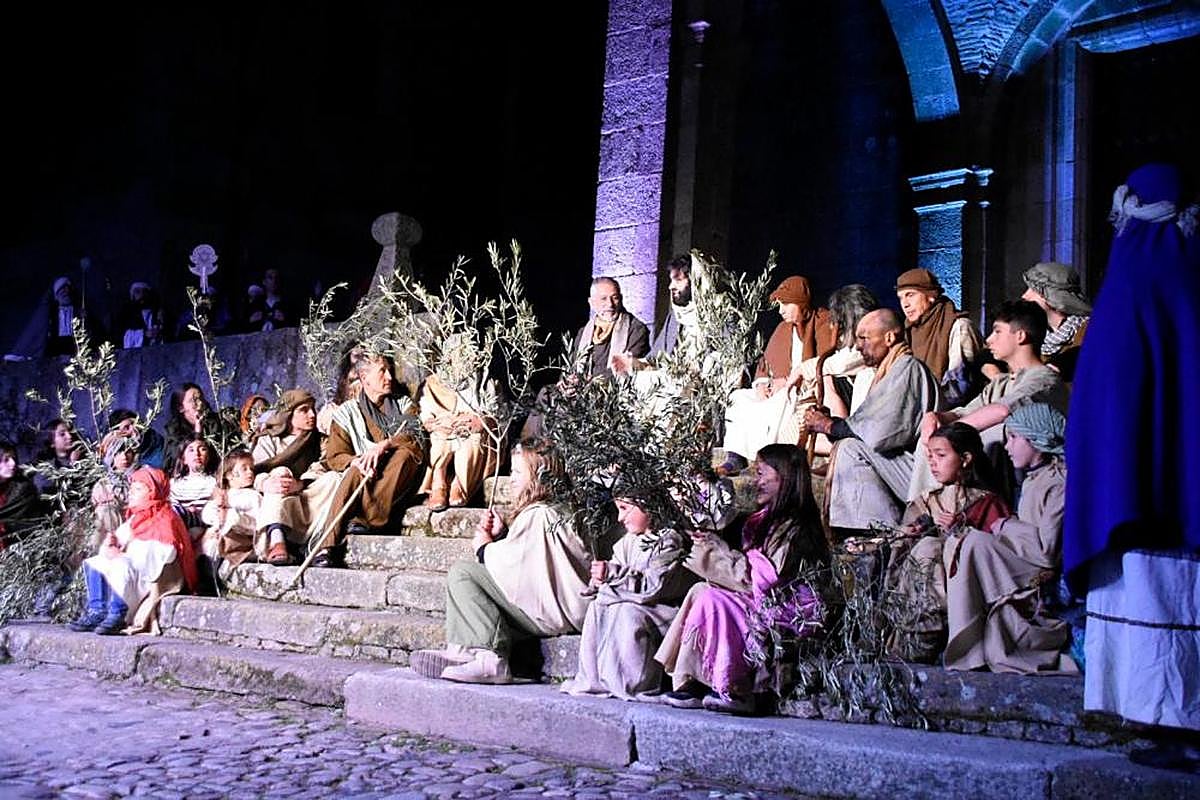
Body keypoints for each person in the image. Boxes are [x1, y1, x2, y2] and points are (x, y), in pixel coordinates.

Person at [1063, 163, 1200, 772]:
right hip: (1182, 487)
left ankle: (1173, 724)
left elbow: (1107, 392)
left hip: (1134, 491)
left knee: (1155, 598)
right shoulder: (1187, 272)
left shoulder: (1131, 277)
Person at [656, 443, 828, 714]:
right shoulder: (759, 521)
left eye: (761, 473)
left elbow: (765, 582)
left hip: (784, 611)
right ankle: (697, 678)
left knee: (714, 600)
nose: (755, 481)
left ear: (785, 476)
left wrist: (719, 552)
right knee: (701, 590)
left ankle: (736, 687)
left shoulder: (796, 527)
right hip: (758, 599)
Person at [410, 438, 590, 684]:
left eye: (517, 472)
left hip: (551, 614)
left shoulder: (539, 515)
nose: (512, 479)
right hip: (563, 610)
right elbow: (534, 565)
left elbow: (516, 571)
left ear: (538, 475)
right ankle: (463, 651)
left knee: (464, 574)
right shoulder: (561, 509)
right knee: (475, 580)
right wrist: (504, 536)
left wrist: (484, 548)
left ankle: (487, 659)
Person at [941, 403, 1077, 674]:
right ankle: (969, 645)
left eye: (1014, 437)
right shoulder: (1033, 480)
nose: (1007, 446)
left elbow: (1046, 551)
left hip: (1041, 572)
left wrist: (1003, 525)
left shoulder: (1058, 483)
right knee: (958, 541)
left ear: (1036, 440)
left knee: (974, 544)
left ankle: (968, 650)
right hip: (1025, 561)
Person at [803, 309, 939, 536]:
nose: (858, 346)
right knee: (847, 445)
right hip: (905, 468)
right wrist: (828, 423)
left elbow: (878, 433)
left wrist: (827, 425)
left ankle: (882, 534)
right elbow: (867, 426)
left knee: (850, 448)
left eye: (864, 338)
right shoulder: (887, 371)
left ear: (889, 337)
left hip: (923, 474)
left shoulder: (907, 368)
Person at [915, 300, 1068, 500]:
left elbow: (1002, 411)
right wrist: (937, 417)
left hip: (1039, 476)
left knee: (992, 433)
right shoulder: (1001, 383)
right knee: (933, 438)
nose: (988, 340)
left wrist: (948, 435)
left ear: (1020, 336)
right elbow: (966, 412)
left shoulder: (1044, 379)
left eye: (997, 332)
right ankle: (926, 505)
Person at [883, 423, 1010, 663]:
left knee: (930, 548)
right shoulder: (927, 500)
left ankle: (930, 635)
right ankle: (910, 632)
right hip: (917, 593)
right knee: (922, 545)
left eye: (941, 456)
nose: (933, 463)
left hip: (961, 590)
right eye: (930, 456)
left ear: (965, 458)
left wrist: (960, 530)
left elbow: (997, 550)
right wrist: (909, 533)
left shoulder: (987, 502)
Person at [560, 494, 695, 701]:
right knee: (599, 605)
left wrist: (613, 574)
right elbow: (614, 578)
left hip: (663, 610)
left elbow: (654, 588)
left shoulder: (668, 540)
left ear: (647, 506)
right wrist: (599, 581)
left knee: (625, 611)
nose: (620, 518)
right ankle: (595, 679)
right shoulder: (627, 543)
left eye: (625, 508)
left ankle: (634, 683)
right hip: (637, 603)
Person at [309, 352, 425, 565]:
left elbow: (415, 436)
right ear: (364, 378)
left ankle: (367, 518)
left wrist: (385, 445)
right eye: (382, 371)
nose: (389, 377)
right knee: (355, 471)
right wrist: (355, 460)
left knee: (405, 454)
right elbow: (335, 456)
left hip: (399, 476)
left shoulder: (403, 404)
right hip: (368, 474)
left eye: (389, 371)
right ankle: (326, 547)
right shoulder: (347, 413)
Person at [719, 275, 834, 473]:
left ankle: (768, 458)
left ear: (800, 303)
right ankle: (736, 455)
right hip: (778, 387)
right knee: (738, 397)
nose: (781, 310)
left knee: (779, 402)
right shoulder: (783, 328)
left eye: (786, 304)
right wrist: (762, 384)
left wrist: (789, 381)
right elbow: (765, 364)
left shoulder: (822, 321)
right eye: (779, 305)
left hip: (803, 390)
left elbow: (825, 363)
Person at [68, 467, 198, 635]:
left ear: (152, 492)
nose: (131, 493)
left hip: (152, 576)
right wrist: (110, 544)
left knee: (120, 564)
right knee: (95, 563)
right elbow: (120, 539)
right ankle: (97, 611)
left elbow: (161, 554)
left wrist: (121, 555)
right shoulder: (136, 517)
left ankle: (118, 614)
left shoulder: (166, 518)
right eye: (131, 488)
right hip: (132, 567)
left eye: (138, 489)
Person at [251, 389, 336, 567]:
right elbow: (254, 471)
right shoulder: (269, 440)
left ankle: (316, 543)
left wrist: (300, 484)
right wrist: (266, 483)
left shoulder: (321, 441)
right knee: (280, 472)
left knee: (334, 478)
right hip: (279, 498)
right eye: (304, 410)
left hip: (308, 496)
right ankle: (277, 539)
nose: (312, 415)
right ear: (288, 414)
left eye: (313, 409)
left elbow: (323, 465)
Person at [895, 268, 985, 408]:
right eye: (901, 298)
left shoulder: (959, 327)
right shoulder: (908, 331)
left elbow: (959, 385)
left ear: (931, 295)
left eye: (910, 295)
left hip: (953, 412)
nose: (905, 304)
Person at [1019, 262, 1091, 381]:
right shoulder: (1033, 332)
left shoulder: (1089, 330)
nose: (1025, 296)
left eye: (1034, 290)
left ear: (1054, 297)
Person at [569, 277, 650, 379]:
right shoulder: (583, 332)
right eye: (604, 299)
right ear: (592, 302)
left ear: (621, 299)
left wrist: (590, 384)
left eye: (615, 298)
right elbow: (572, 367)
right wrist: (567, 381)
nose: (610, 304)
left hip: (613, 386)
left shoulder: (636, 329)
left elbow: (627, 368)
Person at [202, 450, 262, 564]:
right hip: (219, 535)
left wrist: (229, 509)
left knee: (231, 518)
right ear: (229, 475)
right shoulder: (224, 495)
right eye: (244, 469)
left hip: (243, 538)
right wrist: (217, 506)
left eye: (251, 469)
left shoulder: (254, 496)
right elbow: (206, 515)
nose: (250, 472)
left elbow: (258, 521)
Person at [169, 436, 217, 535]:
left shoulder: (214, 482)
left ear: (208, 457)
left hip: (204, 524)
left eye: (202, 449)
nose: (197, 454)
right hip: (179, 525)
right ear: (184, 459)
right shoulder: (174, 483)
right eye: (191, 450)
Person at [0, 441, 42, 550]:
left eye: (14, 458)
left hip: (20, 549)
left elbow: (32, 523)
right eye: (6, 460)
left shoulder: (23, 488)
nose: (13, 463)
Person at [116, 281, 164, 349]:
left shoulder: (157, 311)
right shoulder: (127, 314)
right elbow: (120, 333)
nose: (141, 294)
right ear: (133, 295)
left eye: (144, 292)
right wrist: (143, 334)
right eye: (138, 292)